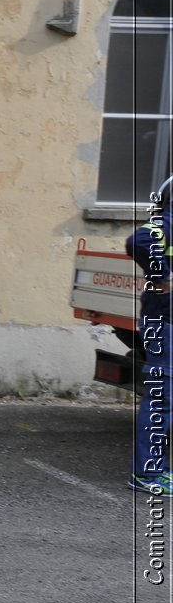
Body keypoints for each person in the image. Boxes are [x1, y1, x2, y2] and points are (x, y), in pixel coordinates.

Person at [128, 176, 171, 493]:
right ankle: (147, 473)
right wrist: (163, 277)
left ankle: (156, 469)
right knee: (161, 399)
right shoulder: (167, 224)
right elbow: (137, 241)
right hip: (165, 324)